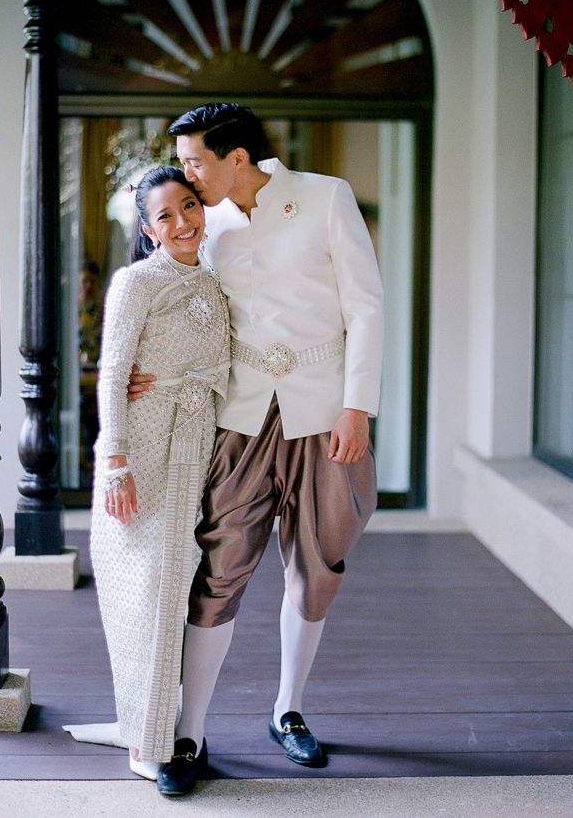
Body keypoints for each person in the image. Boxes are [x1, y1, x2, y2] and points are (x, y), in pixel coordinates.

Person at [129, 104, 384, 796]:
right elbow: (170, 291)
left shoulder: (326, 197)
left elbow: (366, 305)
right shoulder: (204, 226)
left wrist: (357, 404)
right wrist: (136, 371)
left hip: (326, 412)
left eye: (195, 162)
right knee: (219, 564)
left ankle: (287, 709)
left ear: (236, 157)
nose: (187, 177)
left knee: (319, 558)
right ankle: (189, 734)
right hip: (240, 416)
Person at [90, 165, 230, 780]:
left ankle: (165, 728)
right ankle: (147, 745)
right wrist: (114, 460)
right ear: (148, 231)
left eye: (189, 206)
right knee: (144, 594)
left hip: (196, 444)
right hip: (141, 450)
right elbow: (112, 373)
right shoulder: (135, 282)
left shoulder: (218, 282)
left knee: (177, 589)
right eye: (165, 216)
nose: (182, 222)